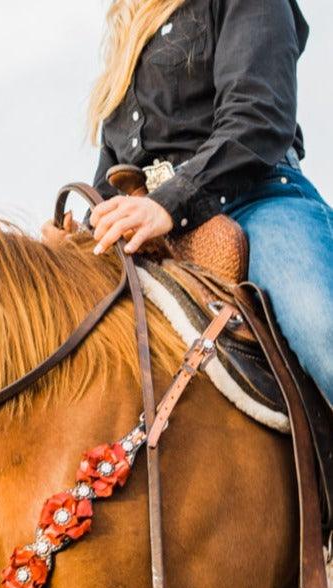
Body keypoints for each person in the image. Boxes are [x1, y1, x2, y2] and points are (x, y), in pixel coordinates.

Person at [47, 0, 333, 405]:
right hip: (155, 228)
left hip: (256, 200)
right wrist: (85, 236)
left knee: (321, 329)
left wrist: (169, 203)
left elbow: (258, 116)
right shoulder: (130, 41)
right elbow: (112, 176)